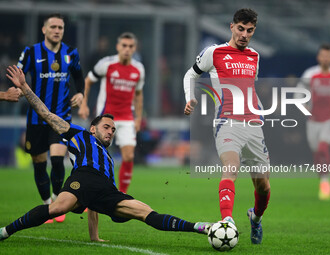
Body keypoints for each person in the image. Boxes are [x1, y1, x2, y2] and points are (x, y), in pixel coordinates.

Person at [0, 65, 210, 242]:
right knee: (57, 208)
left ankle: (202, 227)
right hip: (82, 178)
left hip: (107, 190)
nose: (111, 131)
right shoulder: (78, 135)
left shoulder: (108, 160)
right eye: (106, 127)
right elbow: (46, 114)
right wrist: (25, 87)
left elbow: (93, 204)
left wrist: (94, 237)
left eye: (113, 129)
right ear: (93, 128)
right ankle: (5, 232)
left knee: (146, 212)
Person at [183, 9, 270, 244]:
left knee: (263, 186)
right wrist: (189, 98)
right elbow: (190, 74)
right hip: (227, 122)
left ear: (253, 31)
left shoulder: (254, 56)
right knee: (231, 167)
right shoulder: (214, 52)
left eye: (249, 30)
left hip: (253, 125)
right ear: (232, 27)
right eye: (240, 29)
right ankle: (227, 220)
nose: (244, 34)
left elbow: (250, 87)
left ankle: (256, 217)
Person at [17, 13, 84, 223]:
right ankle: (47, 205)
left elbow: (79, 78)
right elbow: (17, 75)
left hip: (61, 117)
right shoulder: (30, 52)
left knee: (57, 160)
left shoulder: (70, 53)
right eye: (53, 27)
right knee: (39, 163)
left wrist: (80, 93)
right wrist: (15, 90)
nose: (57, 31)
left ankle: (56, 201)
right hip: (36, 119)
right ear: (44, 29)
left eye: (60, 28)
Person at [78, 32, 144, 193]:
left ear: (134, 48)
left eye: (130, 46)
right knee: (96, 159)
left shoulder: (138, 69)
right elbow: (88, 81)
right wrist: (84, 104)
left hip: (127, 118)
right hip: (105, 117)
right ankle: (90, 192)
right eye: (124, 46)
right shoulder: (106, 64)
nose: (127, 49)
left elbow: (139, 94)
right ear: (118, 47)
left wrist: (138, 119)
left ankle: (121, 195)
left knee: (128, 157)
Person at [295, 44, 330, 200]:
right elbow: (298, 93)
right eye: (323, 55)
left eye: (328, 56)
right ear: (319, 57)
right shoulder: (310, 74)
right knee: (316, 152)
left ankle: (326, 182)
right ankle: (322, 179)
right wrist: (303, 106)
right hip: (313, 121)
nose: (326, 58)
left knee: (323, 147)